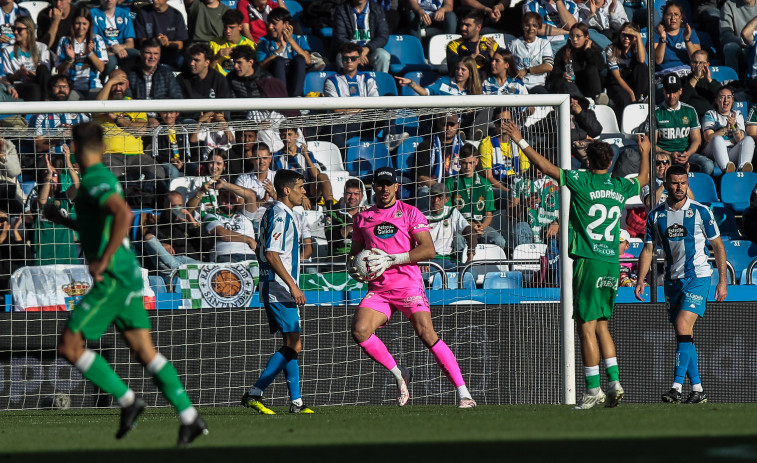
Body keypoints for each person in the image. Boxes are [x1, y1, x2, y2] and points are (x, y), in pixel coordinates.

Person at [42, 122, 207, 445]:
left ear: (74, 150)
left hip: (115, 277)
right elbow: (100, 223)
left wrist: (102, 260)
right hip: (129, 275)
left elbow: (124, 215)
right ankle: (190, 417)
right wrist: (64, 220)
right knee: (145, 352)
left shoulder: (94, 180)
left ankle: (128, 400)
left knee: (70, 346)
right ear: (103, 148)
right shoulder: (99, 180)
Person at [502, 120, 651, 410]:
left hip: (589, 261)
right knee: (602, 325)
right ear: (610, 162)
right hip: (612, 262)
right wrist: (644, 151)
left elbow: (546, 168)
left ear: (589, 161)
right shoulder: (620, 185)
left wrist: (520, 140)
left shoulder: (581, 181)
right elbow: (644, 178)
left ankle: (593, 389)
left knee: (585, 326)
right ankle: (614, 382)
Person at [347, 166, 477, 408]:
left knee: (427, 334)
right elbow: (355, 255)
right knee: (360, 331)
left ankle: (464, 393)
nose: (384, 189)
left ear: (397, 186)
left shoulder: (410, 213)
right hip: (379, 290)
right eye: (379, 184)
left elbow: (428, 249)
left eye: (389, 184)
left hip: (408, 285)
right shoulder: (362, 219)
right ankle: (400, 374)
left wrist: (392, 259)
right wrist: (356, 269)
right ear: (373, 187)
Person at [634, 164, 727, 404]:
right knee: (684, 333)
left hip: (698, 276)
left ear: (688, 183)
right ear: (665, 185)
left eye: (683, 182)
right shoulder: (656, 215)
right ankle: (698, 390)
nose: (679, 187)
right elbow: (647, 249)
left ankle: (675, 387)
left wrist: (722, 281)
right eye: (674, 183)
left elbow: (717, 246)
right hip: (672, 280)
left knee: (682, 324)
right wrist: (641, 279)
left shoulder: (701, 211)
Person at [241, 169, 315, 415]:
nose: (304, 191)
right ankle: (255, 393)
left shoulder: (280, 213)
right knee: (294, 345)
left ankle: (296, 402)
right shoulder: (281, 215)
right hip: (280, 289)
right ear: (287, 190)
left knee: (292, 344)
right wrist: (293, 285)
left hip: (277, 287)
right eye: (300, 186)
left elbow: (261, 250)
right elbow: (272, 253)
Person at [445, 143, 507, 251]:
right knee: (457, 240)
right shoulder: (451, 183)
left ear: (477, 161)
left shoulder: (485, 184)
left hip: (481, 228)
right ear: (459, 162)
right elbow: (448, 213)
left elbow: (488, 213)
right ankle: (460, 267)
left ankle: (491, 267)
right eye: (464, 163)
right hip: (460, 228)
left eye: (471, 163)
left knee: (499, 241)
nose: (467, 167)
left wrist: (483, 226)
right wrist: (469, 224)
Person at [656, 74, 713, 175]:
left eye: (674, 92)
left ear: (680, 91)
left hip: (685, 155)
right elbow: (651, 144)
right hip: (664, 157)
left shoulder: (690, 111)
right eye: (668, 92)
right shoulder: (655, 113)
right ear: (663, 91)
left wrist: (688, 154)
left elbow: (697, 139)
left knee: (708, 165)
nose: (671, 96)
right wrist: (669, 154)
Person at [55, 4, 108, 99]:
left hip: (94, 86)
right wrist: (70, 59)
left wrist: (90, 54)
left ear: (89, 24)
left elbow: (102, 68)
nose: (80, 27)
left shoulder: (97, 40)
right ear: (72, 23)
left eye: (84, 24)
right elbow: (59, 72)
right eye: (77, 23)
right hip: (72, 87)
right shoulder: (64, 41)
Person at [256, 7, 311, 97]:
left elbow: (308, 61)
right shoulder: (264, 41)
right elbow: (260, 66)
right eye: (269, 23)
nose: (270, 27)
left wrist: (291, 41)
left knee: (300, 59)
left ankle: (297, 98)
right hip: (274, 76)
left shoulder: (299, 39)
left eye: (274, 24)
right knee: (279, 61)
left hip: (294, 76)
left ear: (286, 24)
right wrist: (277, 52)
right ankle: (281, 98)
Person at [202, 177, 259, 263]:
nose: (228, 200)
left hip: (250, 256)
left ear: (237, 200)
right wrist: (249, 240)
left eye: (232, 197)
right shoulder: (210, 216)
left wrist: (225, 185)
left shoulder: (245, 216)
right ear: (218, 199)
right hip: (225, 256)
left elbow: (251, 195)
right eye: (224, 196)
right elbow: (222, 234)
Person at [31, 75, 90, 156]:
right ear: (50, 89)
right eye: (57, 86)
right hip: (51, 159)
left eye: (64, 86)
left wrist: (74, 133)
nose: (61, 89)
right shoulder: (41, 115)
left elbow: (90, 142)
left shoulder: (81, 114)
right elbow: (38, 147)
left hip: (77, 160)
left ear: (70, 89)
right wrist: (58, 136)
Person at [548, 23, 607, 104]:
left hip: (588, 86)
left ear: (586, 37)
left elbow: (600, 67)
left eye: (578, 36)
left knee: (592, 69)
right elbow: (554, 70)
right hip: (571, 86)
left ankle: (597, 97)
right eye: (572, 36)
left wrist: (588, 50)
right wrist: (563, 74)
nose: (574, 39)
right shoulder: (564, 52)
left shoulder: (593, 51)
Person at [276, 127, 334, 209]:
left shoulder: (307, 153)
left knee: (323, 176)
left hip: (311, 191)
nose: (286, 138)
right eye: (283, 135)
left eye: (289, 134)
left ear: (296, 135)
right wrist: (301, 196)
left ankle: (331, 209)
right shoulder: (277, 157)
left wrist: (306, 156)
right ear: (280, 136)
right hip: (292, 192)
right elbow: (281, 182)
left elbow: (316, 176)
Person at [701, 86, 755, 173]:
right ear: (716, 100)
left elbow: (740, 139)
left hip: (731, 151)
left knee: (749, 139)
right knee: (717, 139)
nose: (726, 100)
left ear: (732, 100)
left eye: (729, 97)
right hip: (713, 151)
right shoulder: (710, 114)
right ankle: (727, 169)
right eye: (722, 97)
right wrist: (725, 129)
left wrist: (734, 127)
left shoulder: (737, 114)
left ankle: (743, 168)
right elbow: (708, 138)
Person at [425, 182, 476, 272]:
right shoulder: (420, 215)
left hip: (449, 260)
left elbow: (470, 232)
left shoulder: (452, 212)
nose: (436, 200)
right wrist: (421, 260)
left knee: (472, 273)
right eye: (433, 196)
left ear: (446, 199)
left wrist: (470, 256)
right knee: (423, 276)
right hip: (429, 261)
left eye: (440, 197)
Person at [2, 16, 52, 102]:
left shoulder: (42, 47)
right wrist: (19, 74)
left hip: (39, 82)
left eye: (19, 29)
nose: (15, 32)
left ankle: (47, 102)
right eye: (14, 29)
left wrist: (30, 73)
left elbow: (45, 73)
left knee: (42, 69)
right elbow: (8, 77)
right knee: (34, 88)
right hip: (20, 84)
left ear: (29, 31)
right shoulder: (8, 50)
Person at [333, 0, 390, 73]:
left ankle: (379, 82)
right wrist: (357, 52)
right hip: (349, 50)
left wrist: (367, 48)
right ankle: (346, 83)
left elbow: (383, 36)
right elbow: (340, 37)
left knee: (383, 55)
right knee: (341, 57)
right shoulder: (341, 10)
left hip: (369, 51)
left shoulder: (377, 9)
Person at [605, 21, 648, 119]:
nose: (626, 38)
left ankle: (640, 96)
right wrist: (631, 92)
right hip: (619, 82)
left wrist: (637, 36)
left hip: (634, 81)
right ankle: (625, 125)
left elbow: (641, 60)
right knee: (624, 97)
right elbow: (617, 77)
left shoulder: (637, 47)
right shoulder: (611, 49)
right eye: (624, 35)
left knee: (641, 66)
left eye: (630, 36)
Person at [134, 0, 188, 70]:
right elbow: (142, 41)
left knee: (182, 60)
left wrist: (167, 43)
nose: (155, 0)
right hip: (149, 52)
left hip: (170, 53)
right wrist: (156, 41)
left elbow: (180, 44)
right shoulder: (143, 12)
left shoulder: (176, 15)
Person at [127, 38, 183, 105]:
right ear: (141, 53)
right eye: (148, 53)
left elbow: (177, 98)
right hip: (138, 114)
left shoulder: (167, 74)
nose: (152, 57)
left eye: (156, 53)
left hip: (160, 114)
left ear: (159, 56)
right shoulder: (130, 74)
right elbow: (127, 100)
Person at [509, 11, 554, 94]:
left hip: (538, 85)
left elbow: (548, 66)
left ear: (538, 28)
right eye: (527, 25)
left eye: (534, 26)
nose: (531, 29)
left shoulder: (544, 43)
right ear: (523, 26)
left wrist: (527, 71)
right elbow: (507, 64)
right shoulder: (513, 44)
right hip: (518, 85)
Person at [92, 0, 138, 76]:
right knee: (111, 62)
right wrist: (110, 48)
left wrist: (120, 47)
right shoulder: (93, 14)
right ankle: (105, 84)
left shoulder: (124, 14)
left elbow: (130, 42)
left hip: (122, 49)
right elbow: (93, 41)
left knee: (138, 54)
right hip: (103, 50)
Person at [395, 56, 482, 96]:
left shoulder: (473, 90)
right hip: (445, 123)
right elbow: (425, 92)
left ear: (470, 73)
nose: (459, 72)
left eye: (463, 70)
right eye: (457, 68)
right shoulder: (443, 82)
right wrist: (411, 83)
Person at [445, 10, 498, 75]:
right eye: (462, 24)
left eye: (467, 25)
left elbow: (505, 67)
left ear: (478, 27)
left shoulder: (491, 44)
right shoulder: (454, 45)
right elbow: (453, 72)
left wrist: (492, 54)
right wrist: (472, 57)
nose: (463, 28)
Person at [653, 1, 701, 73]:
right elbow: (658, 60)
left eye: (676, 14)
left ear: (681, 17)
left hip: (688, 73)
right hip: (666, 74)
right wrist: (662, 38)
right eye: (669, 14)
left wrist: (687, 40)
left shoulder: (689, 32)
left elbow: (697, 60)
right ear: (664, 17)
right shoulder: (657, 34)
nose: (673, 18)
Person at [323, 178, 366, 257]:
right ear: (344, 195)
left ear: (362, 196)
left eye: (356, 194)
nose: (352, 197)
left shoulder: (367, 214)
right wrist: (352, 223)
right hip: (339, 257)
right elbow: (331, 239)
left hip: (361, 256)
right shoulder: (333, 214)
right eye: (349, 193)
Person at [210, 9, 257, 76]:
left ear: (240, 27)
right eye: (225, 27)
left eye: (231, 27)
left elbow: (253, 71)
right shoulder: (214, 43)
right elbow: (207, 73)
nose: (227, 31)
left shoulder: (250, 45)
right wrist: (217, 57)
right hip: (220, 83)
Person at [720, 0, 757, 75]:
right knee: (730, 48)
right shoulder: (729, 5)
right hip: (742, 48)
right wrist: (744, 42)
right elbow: (725, 35)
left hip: (756, 47)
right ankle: (732, 82)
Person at [680, 50, 720, 118]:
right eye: (695, 62)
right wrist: (696, 77)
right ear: (690, 63)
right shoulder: (683, 80)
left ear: (707, 65)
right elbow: (682, 100)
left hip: (709, 118)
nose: (698, 65)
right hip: (690, 117)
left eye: (701, 63)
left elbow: (721, 97)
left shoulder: (712, 82)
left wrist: (709, 80)